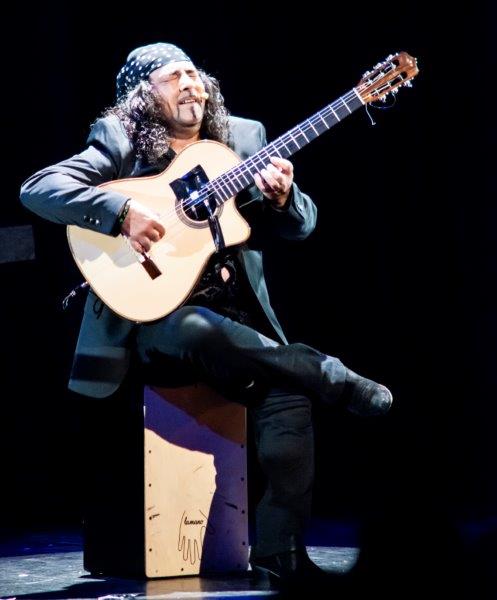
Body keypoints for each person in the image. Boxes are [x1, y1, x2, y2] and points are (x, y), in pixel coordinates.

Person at [20, 42, 392, 586]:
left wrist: (284, 198)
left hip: (238, 314)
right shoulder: (120, 138)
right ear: (144, 96)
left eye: (195, 74)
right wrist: (122, 211)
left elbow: (303, 225)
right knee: (200, 329)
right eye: (174, 77)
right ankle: (329, 374)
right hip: (157, 317)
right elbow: (39, 188)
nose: (191, 83)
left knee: (287, 401)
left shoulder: (243, 138)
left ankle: (281, 553)